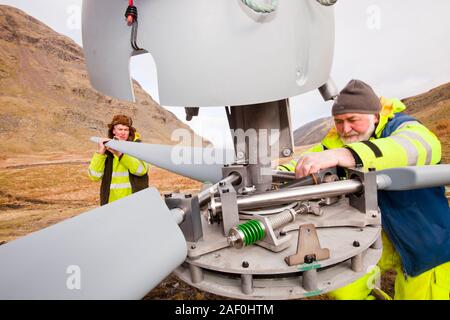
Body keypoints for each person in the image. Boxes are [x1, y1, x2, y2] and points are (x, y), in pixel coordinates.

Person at [279, 79, 450, 300]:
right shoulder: (335, 142)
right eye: (339, 121)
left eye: (352, 120)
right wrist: (275, 174)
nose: (345, 129)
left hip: (425, 238)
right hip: (374, 235)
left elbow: (425, 145)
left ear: (375, 116)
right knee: (343, 288)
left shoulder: (402, 126)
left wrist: (347, 155)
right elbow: (303, 163)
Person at [88, 114, 149, 205]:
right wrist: (100, 153)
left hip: (134, 203)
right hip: (111, 205)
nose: (123, 132)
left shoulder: (138, 147)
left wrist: (120, 154)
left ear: (129, 132)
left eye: (126, 130)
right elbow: (94, 176)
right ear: (113, 131)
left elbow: (141, 170)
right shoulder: (107, 151)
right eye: (120, 129)